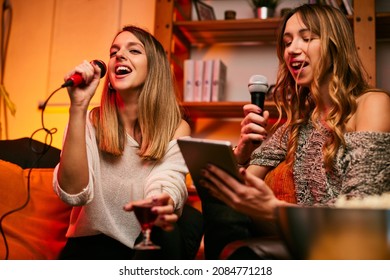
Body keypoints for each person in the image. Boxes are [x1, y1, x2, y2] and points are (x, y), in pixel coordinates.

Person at [198, 3, 390, 259]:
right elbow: (236, 186)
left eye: (307, 38)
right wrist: (242, 151)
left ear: (336, 44)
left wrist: (276, 211)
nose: (292, 50)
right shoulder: (295, 125)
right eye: (287, 43)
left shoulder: (371, 104)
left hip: (343, 239)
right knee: (215, 189)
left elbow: (361, 209)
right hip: (294, 234)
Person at [52, 25, 203, 259]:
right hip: (87, 252)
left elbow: (168, 178)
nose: (119, 55)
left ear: (154, 70)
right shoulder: (90, 120)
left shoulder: (176, 127)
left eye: (134, 51)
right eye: (114, 52)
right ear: (109, 77)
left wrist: (163, 199)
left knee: (189, 221)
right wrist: (78, 107)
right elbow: (73, 194)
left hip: (140, 250)